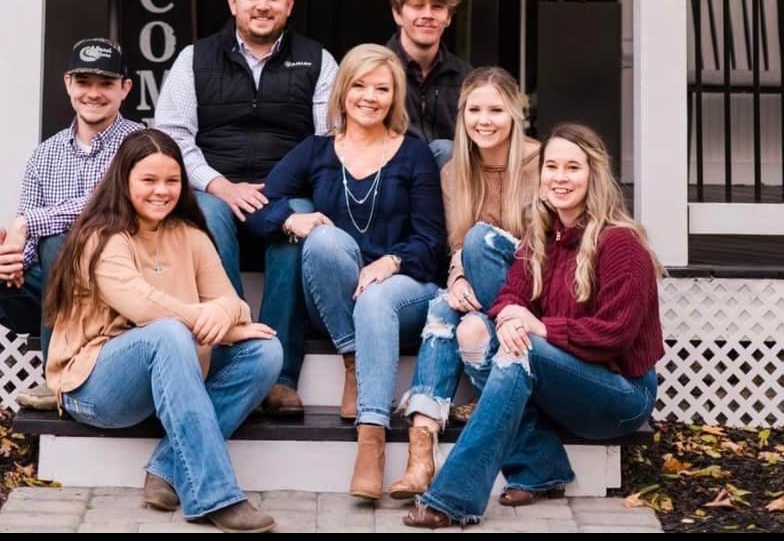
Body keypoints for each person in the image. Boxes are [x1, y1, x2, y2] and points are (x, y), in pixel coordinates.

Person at [403, 122, 664, 529]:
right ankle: (540, 466)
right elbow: (511, 294)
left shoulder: (620, 243)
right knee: (479, 336)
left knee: (518, 348)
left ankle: (452, 498)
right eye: (552, 167)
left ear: (594, 175)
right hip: (568, 382)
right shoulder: (543, 234)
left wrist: (537, 327)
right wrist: (510, 316)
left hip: (622, 395)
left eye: (573, 168)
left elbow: (613, 336)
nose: (560, 178)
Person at [0, 38, 141, 469]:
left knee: (62, 240)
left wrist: (29, 227)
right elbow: (26, 230)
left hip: (115, 293)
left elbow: (108, 208)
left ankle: (60, 377)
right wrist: (4, 262)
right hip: (54, 291)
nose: (93, 92)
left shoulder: (139, 144)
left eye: (106, 83)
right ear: (67, 84)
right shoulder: (46, 154)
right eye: (84, 81)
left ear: (125, 89)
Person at [45, 128, 282, 534]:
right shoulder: (101, 239)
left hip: (171, 366)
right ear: (124, 180)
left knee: (266, 351)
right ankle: (215, 496)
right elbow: (143, 305)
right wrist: (213, 322)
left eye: (172, 181)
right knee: (168, 332)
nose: (162, 191)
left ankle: (168, 465)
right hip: (94, 386)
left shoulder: (191, 235)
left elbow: (232, 301)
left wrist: (225, 319)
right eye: (148, 180)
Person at [250, 43, 446, 502]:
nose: (369, 97)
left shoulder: (413, 154)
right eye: (359, 85)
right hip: (337, 300)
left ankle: (370, 441)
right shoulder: (316, 151)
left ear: (394, 96)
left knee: (377, 296)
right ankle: (353, 360)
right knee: (321, 238)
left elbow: (431, 241)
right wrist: (289, 219)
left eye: (382, 88)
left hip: (406, 289)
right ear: (342, 93)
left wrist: (391, 261)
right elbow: (259, 208)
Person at [153, 0, 338, 414]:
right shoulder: (193, 59)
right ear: (233, 2)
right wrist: (219, 185)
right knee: (209, 217)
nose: (262, 6)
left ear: (289, 5)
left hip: (286, 187)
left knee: (297, 229)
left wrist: (278, 190)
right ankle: (233, 350)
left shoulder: (318, 60)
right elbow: (173, 136)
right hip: (216, 189)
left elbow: (327, 140)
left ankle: (279, 376)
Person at [389, 67, 541, 500]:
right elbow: (456, 243)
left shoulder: (541, 162)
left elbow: (549, 251)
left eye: (496, 110)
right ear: (461, 114)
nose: (484, 120)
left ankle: (438, 439)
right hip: (480, 296)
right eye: (474, 109)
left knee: (479, 240)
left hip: (530, 296)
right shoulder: (454, 170)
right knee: (442, 305)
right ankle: (421, 450)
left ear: (515, 113)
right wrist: (456, 279)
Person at [387, 0, 471, 168]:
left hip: (450, 182)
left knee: (447, 149)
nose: (428, 15)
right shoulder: (375, 70)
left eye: (437, 7)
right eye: (417, 6)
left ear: (448, 17)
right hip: (391, 177)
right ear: (397, 14)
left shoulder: (466, 76)